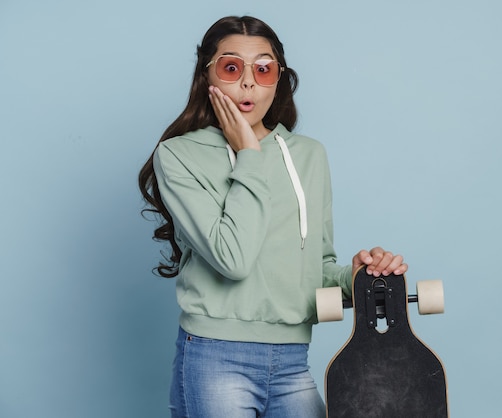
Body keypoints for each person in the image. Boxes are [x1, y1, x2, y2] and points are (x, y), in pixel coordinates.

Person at [138, 15, 408, 418]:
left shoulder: (309, 155)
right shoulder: (179, 155)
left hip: (293, 362)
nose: (248, 83)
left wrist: (361, 276)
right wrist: (248, 152)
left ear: (278, 79)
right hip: (216, 359)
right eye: (232, 68)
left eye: (263, 70)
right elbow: (233, 259)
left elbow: (316, 268)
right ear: (207, 75)